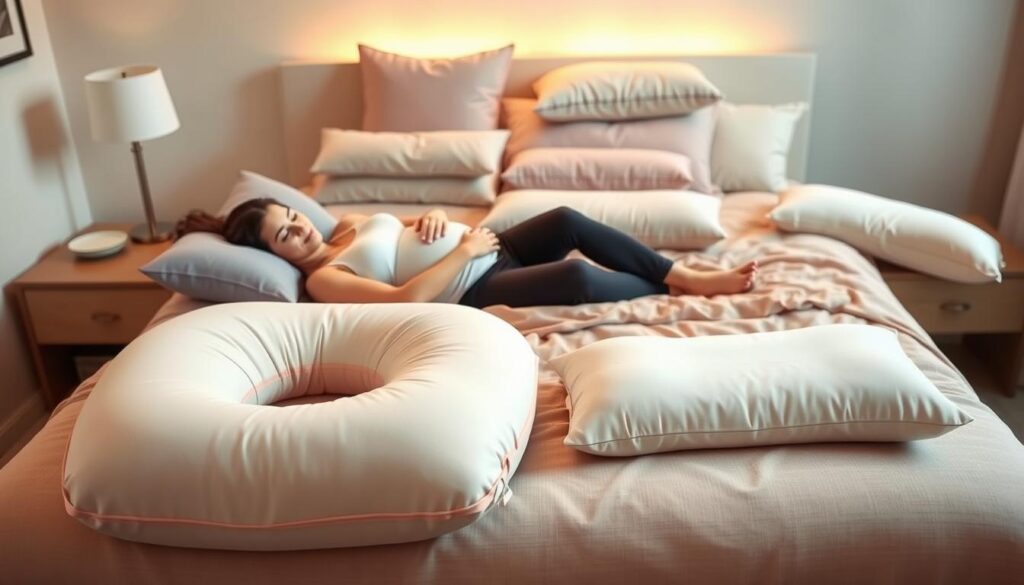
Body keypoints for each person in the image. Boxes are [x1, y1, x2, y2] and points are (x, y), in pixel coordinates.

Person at [176, 198, 757, 308]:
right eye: (284, 236)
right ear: (276, 254)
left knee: (565, 220)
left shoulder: (348, 223)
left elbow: (408, 226)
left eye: (293, 216)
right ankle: (667, 287)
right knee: (577, 274)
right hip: (474, 287)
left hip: (488, 247)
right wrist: (465, 251)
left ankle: (684, 273)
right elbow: (406, 297)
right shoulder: (326, 279)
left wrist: (435, 217)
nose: (299, 230)